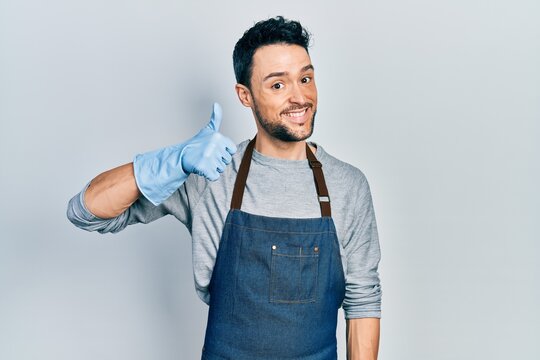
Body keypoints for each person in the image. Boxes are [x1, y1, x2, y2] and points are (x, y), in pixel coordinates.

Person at [67, 16, 382, 360]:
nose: (300, 97)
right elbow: (87, 212)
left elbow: (362, 299)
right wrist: (170, 162)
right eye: (278, 85)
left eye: (305, 78)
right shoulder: (211, 175)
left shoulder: (348, 185)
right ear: (244, 96)